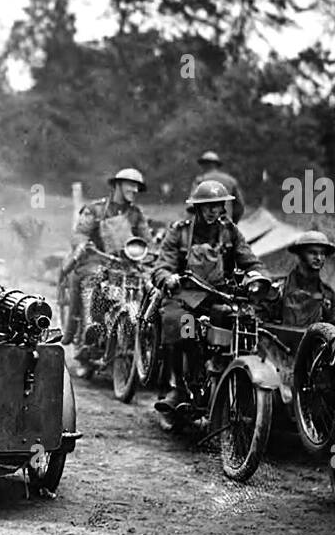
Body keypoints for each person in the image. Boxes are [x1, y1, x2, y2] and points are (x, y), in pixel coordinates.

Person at [151, 180, 262, 414]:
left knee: (244, 327)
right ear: (198, 207)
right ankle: (178, 388)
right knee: (184, 329)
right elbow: (163, 265)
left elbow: (249, 259)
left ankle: (234, 385)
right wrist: (168, 278)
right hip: (184, 297)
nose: (213, 210)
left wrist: (259, 277)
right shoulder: (180, 231)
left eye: (218, 205)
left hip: (218, 296)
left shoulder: (230, 231)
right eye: (208, 205)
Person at [62, 167, 151, 368]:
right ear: (117, 185)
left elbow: (147, 241)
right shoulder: (96, 209)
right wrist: (83, 244)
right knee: (93, 280)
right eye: (130, 185)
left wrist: (150, 253)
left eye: (137, 186)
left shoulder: (136, 214)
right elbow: (80, 233)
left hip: (126, 264)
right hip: (97, 260)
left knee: (146, 287)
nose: (134, 190)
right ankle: (90, 329)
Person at [275, 230, 335, 327]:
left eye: (323, 253)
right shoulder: (279, 289)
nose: (319, 258)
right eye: (312, 252)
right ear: (300, 254)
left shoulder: (330, 297)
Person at [191, 151, 245, 224]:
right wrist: (233, 223)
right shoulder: (230, 180)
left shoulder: (200, 180)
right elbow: (239, 206)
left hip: (204, 226)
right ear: (217, 165)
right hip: (225, 224)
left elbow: (191, 206)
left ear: (203, 165)